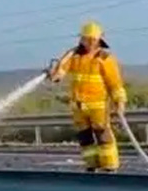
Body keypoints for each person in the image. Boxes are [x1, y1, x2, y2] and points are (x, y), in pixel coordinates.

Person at [47, 21, 128, 173]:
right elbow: (61, 72)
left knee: (103, 136)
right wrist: (54, 75)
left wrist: (120, 102)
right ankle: (91, 166)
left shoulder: (105, 59)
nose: (89, 42)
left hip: (98, 107)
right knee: (85, 138)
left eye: (93, 39)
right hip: (78, 107)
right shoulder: (74, 56)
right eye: (86, 39)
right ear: (82, 39)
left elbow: (115, 84)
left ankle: (110, 166)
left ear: (99, 39)